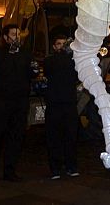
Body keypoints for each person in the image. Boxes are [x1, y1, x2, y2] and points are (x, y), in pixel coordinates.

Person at [0, 25, 34, 184]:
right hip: (2, 101)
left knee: (16, 136)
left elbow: (28, 72)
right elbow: (0, 69)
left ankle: (10, 170)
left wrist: (34, 70)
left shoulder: (25, 53)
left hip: (20, 101)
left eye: (18, 34)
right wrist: (12, 54)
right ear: (5, 37)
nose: (17, 37)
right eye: (13, 34)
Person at [43, 33, 79, 179]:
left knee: (71, 137)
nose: (62, 47)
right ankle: (55, 168)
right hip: (54, 104)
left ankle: (71, 166)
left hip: (69, 104)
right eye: (59, 44)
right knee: (54, 138)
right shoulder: (50, 60)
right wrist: (66, 52)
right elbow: (55, 65)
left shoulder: (72, 61)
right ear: (53, 46)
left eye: (64, 44)